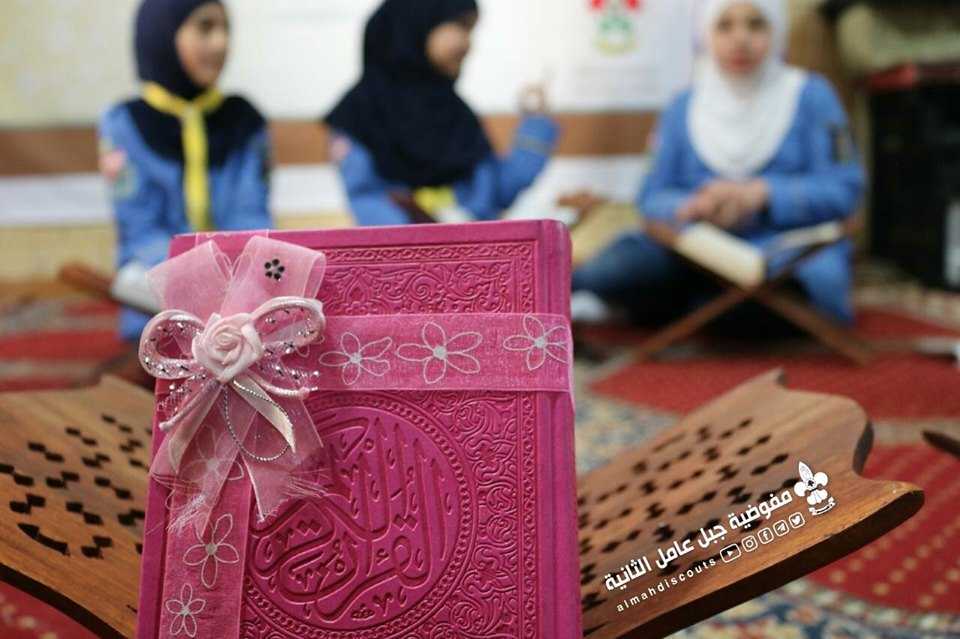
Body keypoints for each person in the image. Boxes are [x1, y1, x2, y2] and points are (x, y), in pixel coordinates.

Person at [572, 0, 864, 325]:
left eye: (756, 24)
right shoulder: (684, 106)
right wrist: (696, 205)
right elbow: (651, 197)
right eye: (725, 26)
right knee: (619, 267)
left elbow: (845, 189)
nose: (740, 39)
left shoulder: (811, 96)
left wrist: (763, 194)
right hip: (697, 250)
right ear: (706, 34)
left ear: (777, 31)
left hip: (783, 252)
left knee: (793, 295)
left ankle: (703, 309)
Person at [99, 0, 272, 341]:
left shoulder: (245, 121)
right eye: (205, 28)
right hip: (156, 289)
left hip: (239, 295)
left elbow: (252, 216)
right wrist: (200, 283)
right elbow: (141, 230)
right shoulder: (126, 123)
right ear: (162, 34)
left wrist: (236, 285)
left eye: (226, 29)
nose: (221, 42)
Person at [325, 0, 559, 226]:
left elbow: (498, 192)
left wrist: (535, 123)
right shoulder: (360, 115)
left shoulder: (457, 115)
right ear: (417, 23)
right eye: (461, 26)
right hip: (408, 252)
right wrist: (434, 243)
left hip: (475, 249)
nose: (468, 44)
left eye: (471, 31)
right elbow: (368, 201)